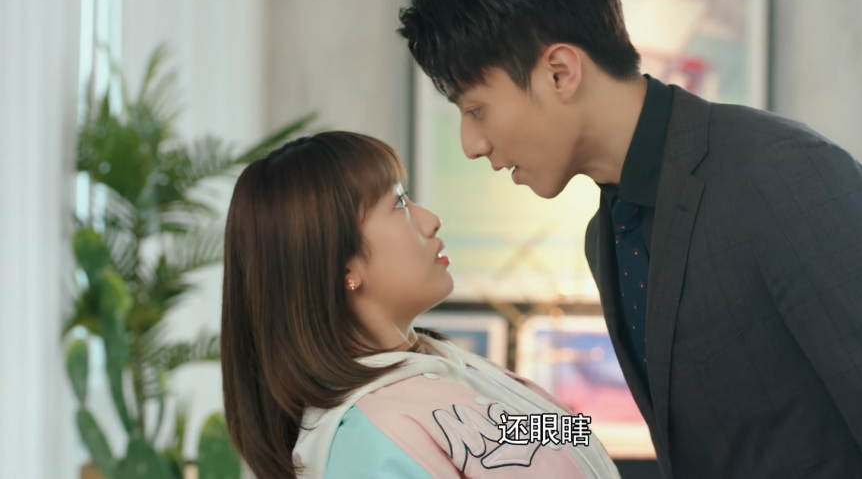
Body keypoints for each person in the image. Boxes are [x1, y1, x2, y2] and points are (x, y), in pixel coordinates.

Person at [397, 0, 862, 478]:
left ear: (560, 72)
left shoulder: (785, 176)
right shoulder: (606, 233)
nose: (472, 144)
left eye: (475, 109)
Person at [220, 131, 621, 479]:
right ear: (342, 265)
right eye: (399, 203)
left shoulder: (444, 365)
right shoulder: (367, 440)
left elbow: (563, 437)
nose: (430, 220)